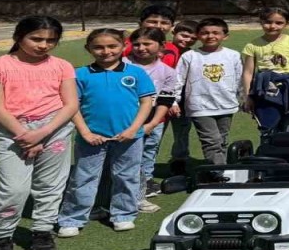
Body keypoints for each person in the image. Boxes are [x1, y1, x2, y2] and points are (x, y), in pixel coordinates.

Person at [0, 16, 79, 250]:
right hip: (12, 131)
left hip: (54, 128)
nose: (43, 45)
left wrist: (43, 132)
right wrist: (26, 135)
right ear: (19, 37)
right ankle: (2, 237)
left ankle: (42, 232)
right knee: (14, 188)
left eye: (51, 40)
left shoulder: (62, 66)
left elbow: (70, 105)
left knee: (51, 185)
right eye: (36, 38)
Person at [56, 28, 156, 236]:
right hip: (92, 138)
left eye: (112, 46)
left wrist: (133, 129)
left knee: (127, 176)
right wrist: (85, 132)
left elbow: (146, 102)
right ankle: (72, 218)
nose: (106, 51)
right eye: (98, 47)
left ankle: (123, 214)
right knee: (83, 177)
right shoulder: (80, 74)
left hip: (129, 137)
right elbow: (72, 106)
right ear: (88, 49)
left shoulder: (135, 72)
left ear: (123, 47)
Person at [173, 18, 243, 166]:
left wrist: (244, 98)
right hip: (199, 106)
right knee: (211, 141)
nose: (210, 36)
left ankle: (218, 170)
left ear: (225, 36)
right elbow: (178, 80)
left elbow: (239, 79)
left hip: (226, 104)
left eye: (215, 33)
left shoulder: (233, 55)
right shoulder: (190, 56)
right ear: (198, 36)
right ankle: (219, 173)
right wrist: (174, 101)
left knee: (222, 140)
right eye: (205, 33)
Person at [126, 28, 178, 211]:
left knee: (148, 152)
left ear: (162, 46)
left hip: (153, 120)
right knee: (125, 158)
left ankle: (145, 185)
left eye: (147, 44)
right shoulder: (123, 64)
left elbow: (165, 99)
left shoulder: (168, 71)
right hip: (126, 118)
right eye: (137, 44)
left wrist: (153, 123)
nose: (141, 48)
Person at [240, 7, 289, 140]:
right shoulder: (252, 45)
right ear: (261, 22)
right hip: (265, 90)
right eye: (268, 22)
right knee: (267, 128)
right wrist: (247, 96)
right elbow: (248, 73)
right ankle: (268, 159)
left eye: (279, 23)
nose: (272, 26)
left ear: (286, 23)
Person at [165, 19, 200, 174]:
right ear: (174, 32)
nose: (188, 40)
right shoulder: (164, 49)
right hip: (162, 99)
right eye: (184, 36)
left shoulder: (191, 54)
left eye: (193, 39)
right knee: (155, 134)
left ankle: (179, 160)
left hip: (182, 100)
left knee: (182, 132)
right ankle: (144, 169)